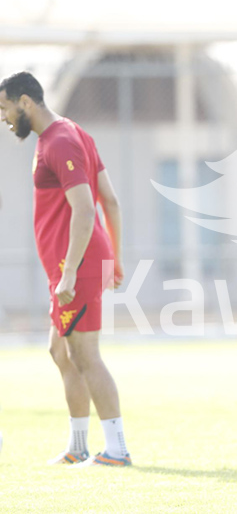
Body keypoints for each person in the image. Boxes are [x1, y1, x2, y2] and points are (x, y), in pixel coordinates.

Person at [0, 71, 131, 467]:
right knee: (60, 351)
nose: (4, 118)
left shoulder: (60, 141)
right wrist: (114, 258)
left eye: (5, 108)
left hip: (75, 266)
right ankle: (78, 447)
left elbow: (87, 209)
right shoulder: (69, 134)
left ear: (25, 102)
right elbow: (111, 200)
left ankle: (117, 451)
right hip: (74, 265)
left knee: (85, 355)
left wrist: (72, 271)